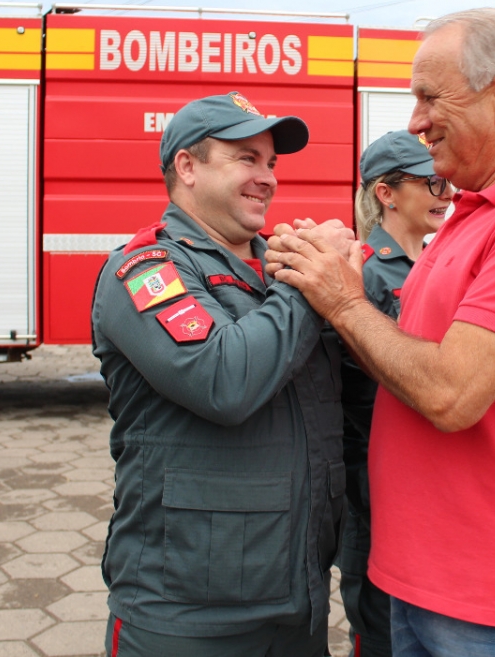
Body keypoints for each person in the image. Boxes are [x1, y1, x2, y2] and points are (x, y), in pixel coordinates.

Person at [265, 7, 495, 657]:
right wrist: (338, 284)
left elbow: (449, 392)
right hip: (432, 583)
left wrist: (343, 300)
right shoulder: (475, 212)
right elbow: (409, 356)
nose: (416, 120)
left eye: (431, 97)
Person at [91, 91, 353, 656]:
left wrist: (349, 293)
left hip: (299, 604)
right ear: (187, 167)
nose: (267, 178)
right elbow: (223, 380)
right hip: (186, 618)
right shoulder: (144, 269)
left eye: (271, 163)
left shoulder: (281, 267)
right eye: (246, 158)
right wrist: (308, 288)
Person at [338, 130, 452, 657]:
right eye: (432, 183)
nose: (446, 194)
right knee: (381, 626)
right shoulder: (363, 271)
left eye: (446, 182)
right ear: (386, 193)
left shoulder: (434, 261)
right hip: (374, 481)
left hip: (423, 476)